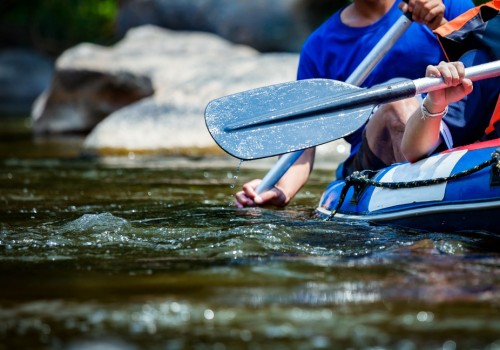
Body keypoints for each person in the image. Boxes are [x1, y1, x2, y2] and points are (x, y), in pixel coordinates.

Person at [235, 0, 474, 208]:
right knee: (396, 98)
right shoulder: (320, 46)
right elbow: (304, 141)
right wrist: (282, 189)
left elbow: (486, 54)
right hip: (375, 159)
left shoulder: (446, 4)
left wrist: (441, 25)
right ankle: (429, 201)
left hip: (455, 135)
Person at [401, 53, 500, 162]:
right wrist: (435, 104)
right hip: (485, 172)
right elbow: (414, 151)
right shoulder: (482, 67)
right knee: (396, 107)